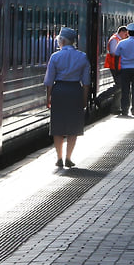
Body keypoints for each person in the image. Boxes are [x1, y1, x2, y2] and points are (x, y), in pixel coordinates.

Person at [44, 27, 91, 169]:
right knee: (73, 126)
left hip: (59, 90)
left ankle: (59, 158)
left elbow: (49, 81)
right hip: (75, 90)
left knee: (57, 126)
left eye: (59, 40)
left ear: (63, 40)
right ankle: (68, 158)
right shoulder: (82, 56)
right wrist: (84, 99)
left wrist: (48, 98)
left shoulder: (55, 57)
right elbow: (86, 82)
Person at [113, 22, 134, 117]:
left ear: (128, 32)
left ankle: (125, 110)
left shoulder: (121, 43)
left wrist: (117, 69)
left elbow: (116, 57)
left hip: (125, 70)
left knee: (125, 91)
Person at [105, 25, 128, 117]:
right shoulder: (114, 40)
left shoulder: (118, 40)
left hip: (118, 66)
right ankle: (102, 97)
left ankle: (115, 108)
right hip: (114, 66)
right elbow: (113, 53)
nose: (126, 36)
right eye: (126, 34)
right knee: (120, 85)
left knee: (121, 87)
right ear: (121, 32)